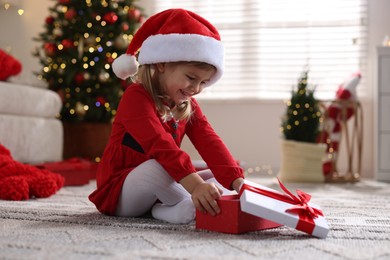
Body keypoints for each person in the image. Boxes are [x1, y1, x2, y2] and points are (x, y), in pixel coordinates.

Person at [89, 8, 245, 224]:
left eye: (203, 82)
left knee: (216, 175)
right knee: (160, 167)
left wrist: (238, 182)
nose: (196, 88)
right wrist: (196, 187)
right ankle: (195, 204)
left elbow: (209, 140)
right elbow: (159, 145)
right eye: (191, 77)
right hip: (120, 191)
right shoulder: (136, 96)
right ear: (162, 63)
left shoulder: (186, 103)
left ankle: (167, 210)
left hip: (158, 185)